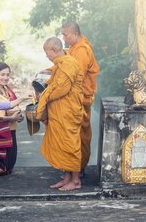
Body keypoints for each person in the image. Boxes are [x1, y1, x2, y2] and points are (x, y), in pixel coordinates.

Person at [36, 37, 84, 191]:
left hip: (68, 112)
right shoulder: (62, 63)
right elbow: (57, 78)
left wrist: (45, 96)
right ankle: (68, 177)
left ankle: (76, 180)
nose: (46, 55)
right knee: (61, 144)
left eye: (47, 52)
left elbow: (61, 88)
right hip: (59, 112)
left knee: (70, 144)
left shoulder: (68, 63)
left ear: (55, 49)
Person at [61, 20, 100, 174]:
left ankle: (78, 167)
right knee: (71, 132)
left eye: (65, 35)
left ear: (75, 34)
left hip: (80, 97)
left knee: (78, 133)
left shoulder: (82, 50)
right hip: (74, 97)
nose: (63, 38)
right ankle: (72, 167)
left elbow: (77, 76)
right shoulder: (74, 48)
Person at [0, 62, 24, 176]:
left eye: (7, 75)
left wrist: (18, 117)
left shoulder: (7, 89)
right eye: (2, 74)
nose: (5, 78)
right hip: (0, 132)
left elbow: (14, 106)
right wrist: (10, 117)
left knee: (10, 163)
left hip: (11, 129)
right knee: (2, 167)